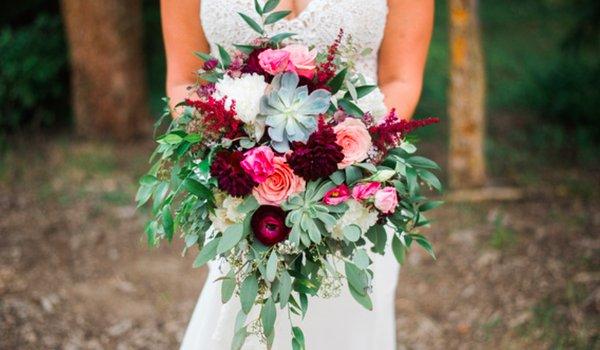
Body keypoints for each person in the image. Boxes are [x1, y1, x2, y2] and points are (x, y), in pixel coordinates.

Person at [161, 1, 433, 348]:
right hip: (243, 196)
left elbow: (401, 79)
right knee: (242, 323)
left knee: (350, 329)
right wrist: (241, 158)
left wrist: (351, 158)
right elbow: (184, 82)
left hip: (354, 198)